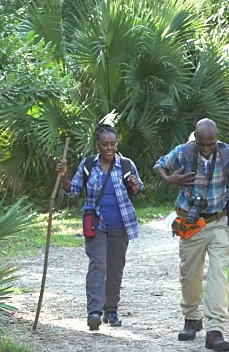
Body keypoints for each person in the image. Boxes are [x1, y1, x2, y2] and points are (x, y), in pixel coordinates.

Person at [153, 118, 229, 351]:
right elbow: (159, 165)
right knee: (189, 275)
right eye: (203, 144)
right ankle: (192, 318)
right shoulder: (184, 152)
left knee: (217, 274)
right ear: (196, 139)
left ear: (217, 138)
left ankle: (215, 330)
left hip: (218, 221)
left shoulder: (228, 154)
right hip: (191, 223)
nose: (207, 149)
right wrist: (170, 178)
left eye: (211, 144)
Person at [57, 123, 144, 331]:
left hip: (120, 224)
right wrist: (64, 177)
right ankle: (94, 312)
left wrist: (134, 185)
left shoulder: (126, 164)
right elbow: (74, 191)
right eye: (105, 144)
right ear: (97, 145)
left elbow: (138, 188)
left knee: (115, 268)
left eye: (112, 144)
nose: (109, 148)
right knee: (98, 265)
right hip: (96, 224)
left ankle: (111, 310)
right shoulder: (88, 165)